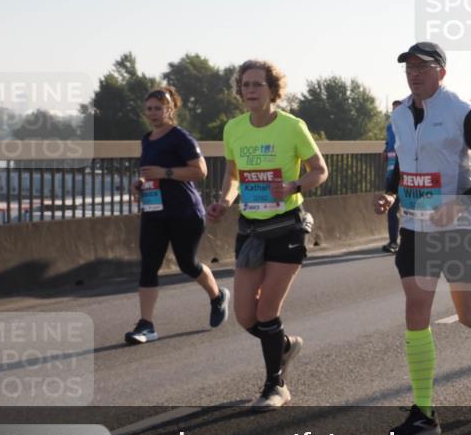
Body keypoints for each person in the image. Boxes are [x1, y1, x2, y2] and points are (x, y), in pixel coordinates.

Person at [373, 42, 471, 435]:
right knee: (416, 311)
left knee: (467, 313)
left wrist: (459, 203)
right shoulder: (399, 114)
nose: (414, 74)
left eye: (422, 66)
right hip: (416, 227)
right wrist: (390, 193)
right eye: (409, 68)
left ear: (442, 72)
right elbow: (401, 164)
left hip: (460, 227)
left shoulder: (460, 111)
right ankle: (424, 413)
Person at [206, 60, 328, 409]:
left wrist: (293, 185)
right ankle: (284, 346)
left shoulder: (292, 127)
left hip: (286, 227)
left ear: (273, 90)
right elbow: (232, 176)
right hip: (250, 230)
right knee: (245, 316)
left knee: (267, 312)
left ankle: (276, 385)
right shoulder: (233, 129)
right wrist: (224, 202)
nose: (251, 90)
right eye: (245, 85)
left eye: (258, 84)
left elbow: (319, 170)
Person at [125, 87, 229, 344]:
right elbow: (149, 173)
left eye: (158, 108)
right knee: (149, 265)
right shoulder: (147, 139)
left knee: (187, 264)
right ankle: (146, 324)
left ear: (170, 109)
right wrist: (139, 184)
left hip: (184, 211)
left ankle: (217, 296)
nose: (153, 113)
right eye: (149, 109)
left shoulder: (181, 137)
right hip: (154, 212)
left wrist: (165, 172)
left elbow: (200, 171)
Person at [382, 99, 403, 252]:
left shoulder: (410, 127)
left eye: (398, 111)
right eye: (393, 111)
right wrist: (385, 151)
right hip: (391, 174)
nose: (395, 114)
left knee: (412, 211)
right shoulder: (390, 127)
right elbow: (388, 143)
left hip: (407, 175)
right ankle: (393, 241)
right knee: (392, 209)